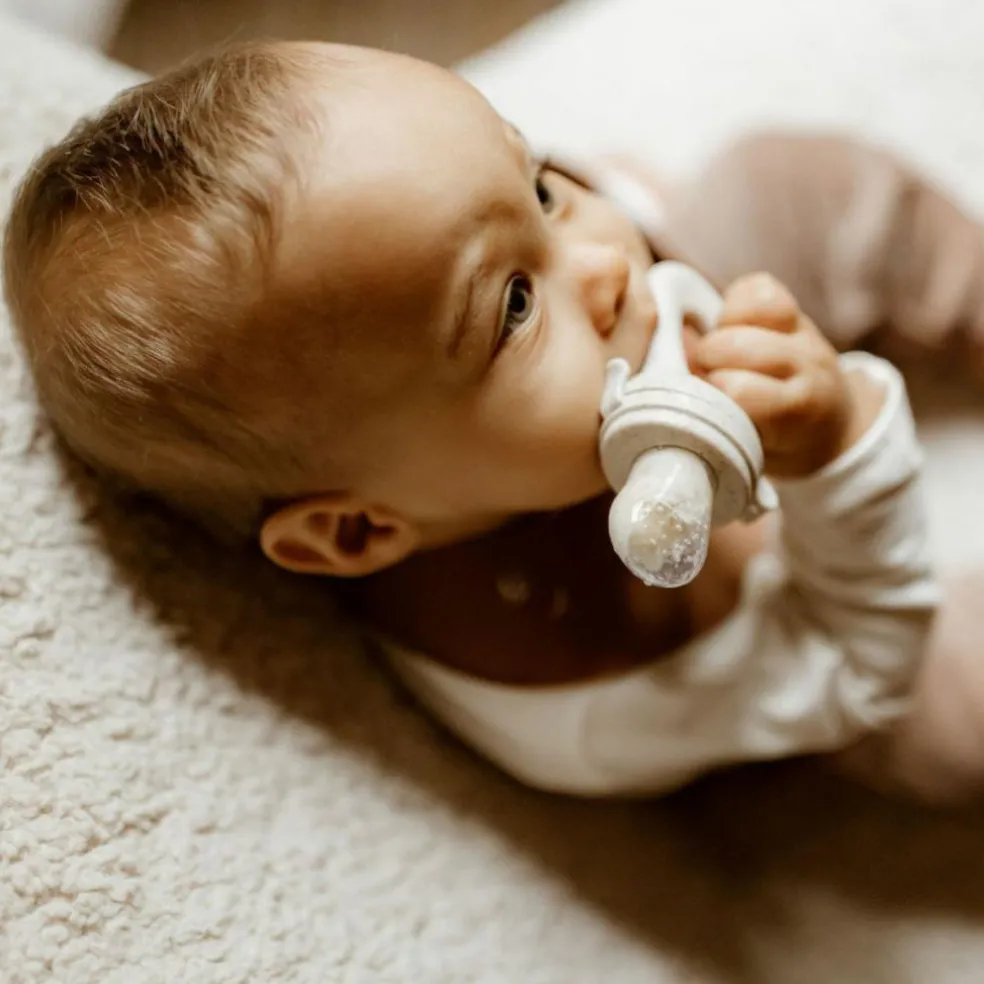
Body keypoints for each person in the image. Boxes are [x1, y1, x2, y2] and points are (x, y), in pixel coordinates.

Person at [4, 41, 983, 802]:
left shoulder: (560, 309)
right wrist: (841, 452)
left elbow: (537, 242)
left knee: (772, 180)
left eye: (541, 186)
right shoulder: (580, 689)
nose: (607, 262)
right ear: (359, 528)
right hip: (804, 621)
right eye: (513, 305)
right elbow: (858, 668)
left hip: (663, 367)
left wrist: (599, 213)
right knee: (952, 710)